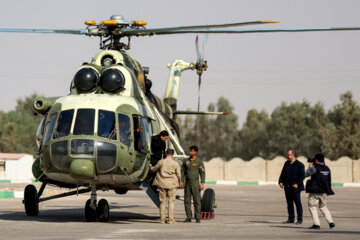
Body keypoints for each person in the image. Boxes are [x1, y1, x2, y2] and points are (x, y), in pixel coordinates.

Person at [150, 149, 182, 224]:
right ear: (173, 154)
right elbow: (178, 174)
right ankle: (171, 219)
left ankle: (162, 219)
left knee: (162, 202)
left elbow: (154, 169)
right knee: (171, 202)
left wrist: (150, 167)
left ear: (165, 154)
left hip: (162, 184)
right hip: (172, 184)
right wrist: (180, 182)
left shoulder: (161, 161)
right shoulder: (175, 163)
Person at [305, 153, 335, 229]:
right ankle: (331, 222)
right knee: (323, 207)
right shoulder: (327, 168)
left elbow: (306, 174)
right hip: (324, 191)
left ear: (317, 160)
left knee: (312, 207)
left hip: (315, 191)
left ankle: (316, 224)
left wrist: (310, 167)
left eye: (314, 159)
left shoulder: (314, 168)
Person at [279, 149, 305, 224]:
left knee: (297, 203)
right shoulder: (286, 163)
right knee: (289, 204)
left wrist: (298, 184)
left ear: (293, 155)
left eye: (288, 155)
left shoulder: (300, 165)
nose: (287, 156)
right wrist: (281, 181)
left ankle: (299, 220)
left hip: (296, 188)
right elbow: (283, 173)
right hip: (287, 187)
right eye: (287, 155)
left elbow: (302, 176)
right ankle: (291, 219)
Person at [181, 145, 205, 223]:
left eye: (191, 151)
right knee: (187, 200)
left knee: (197, 200)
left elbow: (202, 173)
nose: (189, 152)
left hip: (195, 183)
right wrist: (181, 181)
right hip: (187, 183)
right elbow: (182, 172)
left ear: (195, 152)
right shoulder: (186, 161)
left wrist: (202, 183)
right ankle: (188, 217)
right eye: (190, 150)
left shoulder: (199, 162)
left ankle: (197, 217)